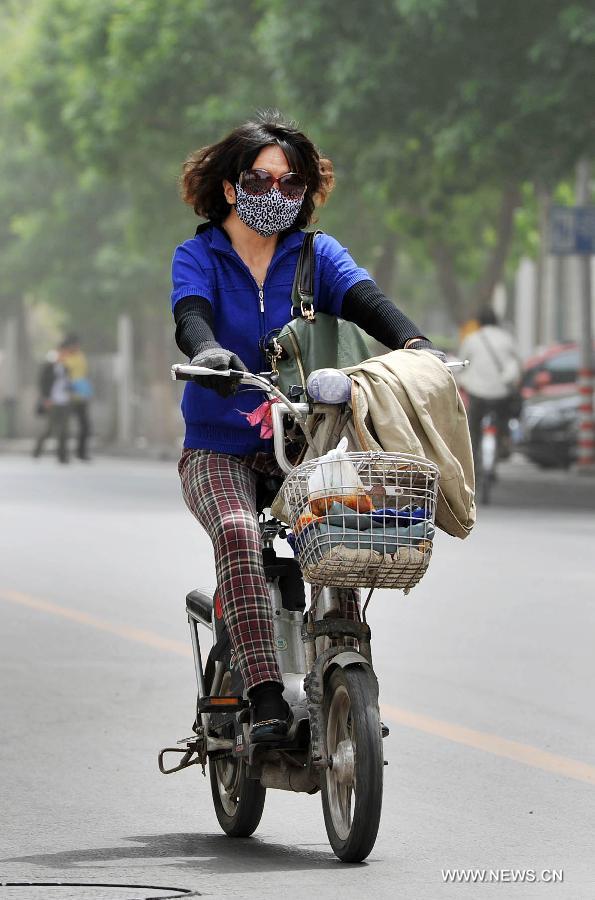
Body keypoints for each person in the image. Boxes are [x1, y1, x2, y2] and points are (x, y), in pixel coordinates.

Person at [171, 113, 443, 743]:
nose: (277, 192)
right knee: (238, 535)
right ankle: (264, 695)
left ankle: (345, 663)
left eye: (291, 182)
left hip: (306, 444)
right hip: (219, 446)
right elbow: (191, 315)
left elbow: (364, 298)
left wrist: (416, 342)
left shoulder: (316, 256)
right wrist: (208, 353)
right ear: (233, 187)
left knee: (352, 533)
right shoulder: (199, 254)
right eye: (262, 179)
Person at [458, 307, 522, 464]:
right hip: (501, 393)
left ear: (479, 322)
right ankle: (502, 442)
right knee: (502, 419)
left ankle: (473, 457)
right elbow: (519, 363)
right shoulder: (506, 338)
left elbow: (461, 365)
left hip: (477, 393)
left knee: (473, 427)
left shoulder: (471, 339)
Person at [32, 344, 71, 463]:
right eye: (62, 353)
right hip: (52, 401)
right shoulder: (48, 367)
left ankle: (62, 456)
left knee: (64, 429)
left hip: (64, 401)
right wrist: (46, 399)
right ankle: (37, 451)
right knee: (51, 429)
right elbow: (43, 384)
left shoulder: (65, 368)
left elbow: (67, 384)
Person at [62, 334, 93, 460]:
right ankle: (63, 453)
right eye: (73, 345)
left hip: (81, 396)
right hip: (67, 396)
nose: (76, 347)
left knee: (85, 426)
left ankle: (81, 453)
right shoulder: (63, 358)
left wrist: (86, 391)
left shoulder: (81, 357)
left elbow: (83, 375)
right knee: (63, 426)